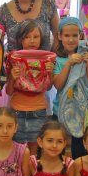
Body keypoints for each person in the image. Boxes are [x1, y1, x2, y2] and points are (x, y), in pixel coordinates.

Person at [6, 19, 55, 152]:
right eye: (27, 37)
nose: (32, 41)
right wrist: (12, 77)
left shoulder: (47, 59)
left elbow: (49, 87)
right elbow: (9, 91)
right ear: (20, 40)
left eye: (36, 37)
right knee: (17, 149)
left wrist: (50, 73)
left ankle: (32, 166)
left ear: (41, 39)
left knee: (34, 149)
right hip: (17, 109)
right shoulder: (14, 59)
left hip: (38, 110)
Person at [52, 16, 88, 158]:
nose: (71, 39)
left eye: (74, 35)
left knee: (80, 149)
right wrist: (68, 64)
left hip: (82, 111)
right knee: (57, 145)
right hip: (60, 109)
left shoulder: (86, 57)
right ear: (59, 36)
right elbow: (58, 85)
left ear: (80, 36)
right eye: (66, 35)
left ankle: (79, 169)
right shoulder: (56, 59)